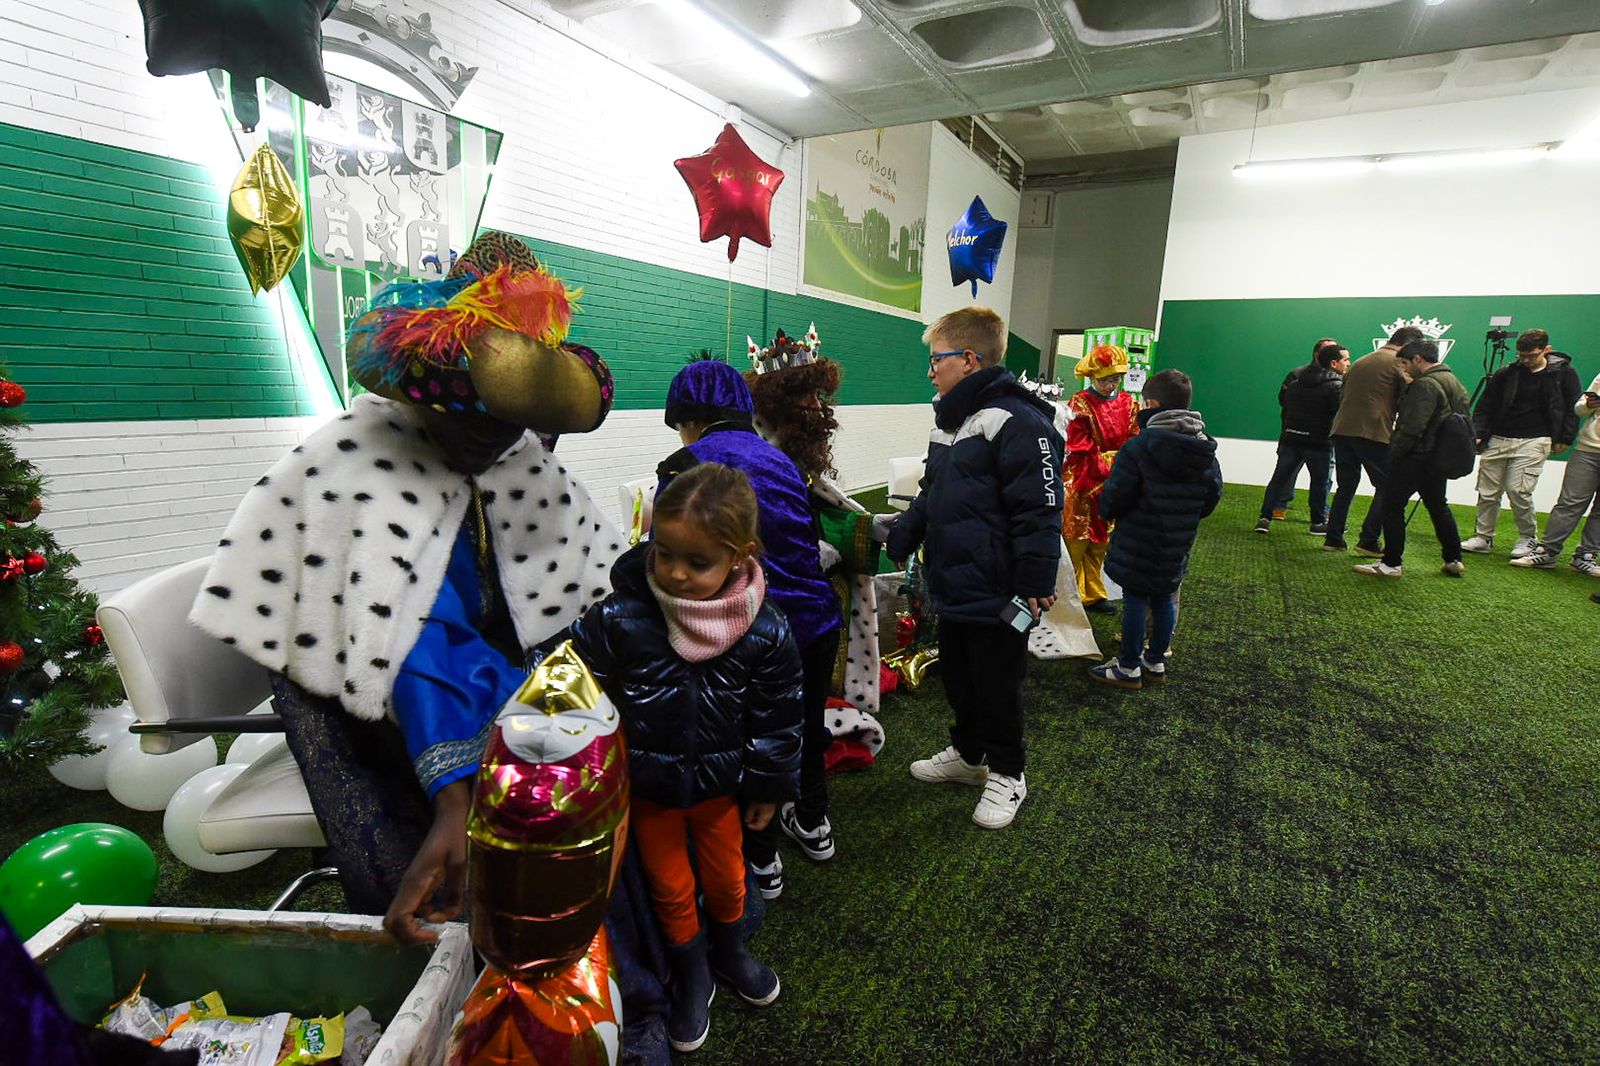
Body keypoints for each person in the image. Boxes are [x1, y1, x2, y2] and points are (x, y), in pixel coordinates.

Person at [569, 463, 801, 1053]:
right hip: (648, 792)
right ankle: (692, 972)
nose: (674, 573)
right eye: (664, 553)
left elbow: (779, 714)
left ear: (740, 554)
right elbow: (578, 683)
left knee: (728, 881)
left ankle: (731, 953)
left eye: (697, 563)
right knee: (671, 889)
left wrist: (769, 785)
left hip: (722, 791)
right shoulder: (621, 617)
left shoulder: (764, 629)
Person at [656, 358, 842, 899]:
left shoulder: (685, 462)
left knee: (742, 744)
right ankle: (814, 824)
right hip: (814, 622)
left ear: (690, 418)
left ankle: (760, 860)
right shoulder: (783, 462)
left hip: (749, 629)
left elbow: (674, 560)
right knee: (802, 730)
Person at [886, 307, 1064, 830]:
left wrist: (1033, 582)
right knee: (960, 677)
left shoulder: (1019, 421)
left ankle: (1009, 772)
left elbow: (1040, 510)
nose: (929, 370)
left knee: (997, 683)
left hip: (1001, 589)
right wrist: (905, 533)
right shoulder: (951, 423)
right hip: (955, 583)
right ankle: (969, 757)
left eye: (935, 359)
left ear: (967, 359)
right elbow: (931, 490)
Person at [1088, 369, 1222, 689]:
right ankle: (1155, 660)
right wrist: (1185, 517)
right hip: (1178, 539)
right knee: (1164, 596)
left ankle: (1128, 666)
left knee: (1135, 596)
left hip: (1138, 536)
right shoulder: (1203, 447)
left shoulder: (1140, 446)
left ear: (1151, 403)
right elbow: (1213, 493)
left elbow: (1117, 494)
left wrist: (1108, 512)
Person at [1354, 339, 1471, 579]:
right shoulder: (1453, 381)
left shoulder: (1425, 385)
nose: (1405, 369)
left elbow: (1412, 427)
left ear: (1418, 359)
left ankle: (1391, 563)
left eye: (1406, 363)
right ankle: (1453, 559)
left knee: (1392, 505)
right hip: (1438, 458)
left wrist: (1395, 455)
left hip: (1416, 457)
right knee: (1438, 507)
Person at [1462, 329, 1583, 558]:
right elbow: (1485, 405)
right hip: (1498, 436)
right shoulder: (1506, 373)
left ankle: (1528, 538)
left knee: (1519, 490)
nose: (1525, 360)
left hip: (1536, 439)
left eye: (1531, 356)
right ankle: (1483, 536)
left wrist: (1566, 437)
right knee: (1487, 491)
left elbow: (1571, 408)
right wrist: (1478, 432)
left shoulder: (1564, 373)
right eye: (1521, 356)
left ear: (1545, 350)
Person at [1324, 325, 1422, 554]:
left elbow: (1343, 392)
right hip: (1373, 431)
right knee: (1389, 486)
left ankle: (1333, 538)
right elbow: (1412, 395)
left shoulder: (1362, 360)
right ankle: (1368, 540)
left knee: (1345, 486)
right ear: (1409, 346)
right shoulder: (1399, 363)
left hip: (1342, 429)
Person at [1062, 344, 1140, 614]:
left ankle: (1093, 593)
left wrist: (1121, 466)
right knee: (1076, 540)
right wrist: (1116, 464)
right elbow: (1079, 445)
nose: (1110, 385)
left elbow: (1134, 438)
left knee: (1100, 543)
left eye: (1115, 379)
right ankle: (1065, 597)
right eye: (1104, 379)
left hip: (1112, 482)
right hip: (1084, 480)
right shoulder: (1080, 403)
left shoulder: (1130, 404)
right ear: (1092, 377)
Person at [1511, 369, 1600, 574]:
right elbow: (1579, 408)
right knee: (1570, 502)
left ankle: (1586, 555)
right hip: (1588, 448)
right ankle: (1547, 551)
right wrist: (1588, 405)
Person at [1256, 339, 1347, 534]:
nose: (1348, 363)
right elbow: (1337, 415)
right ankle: (1317, 522)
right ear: (1333, 363)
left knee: (1278, 479)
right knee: (1320, 483)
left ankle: (1264, 518)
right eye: (1346, 360)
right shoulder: (1336, 386)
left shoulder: (1295, 381)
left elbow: (1285, 405)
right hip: (1319, 442)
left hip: (1291, 438)